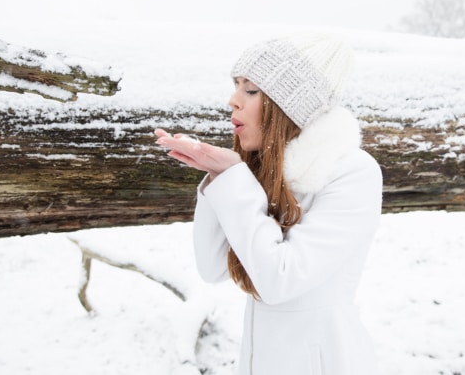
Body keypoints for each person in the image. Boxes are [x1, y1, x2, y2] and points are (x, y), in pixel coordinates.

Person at [155, 33, 383, 375]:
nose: (233, 100)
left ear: (290, 105)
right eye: (236, 85)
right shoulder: (263, 172)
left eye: (251, 90)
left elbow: (280, 279)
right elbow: (212, 267)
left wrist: (234, 177)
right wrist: (219, 178)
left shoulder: (352, 172)